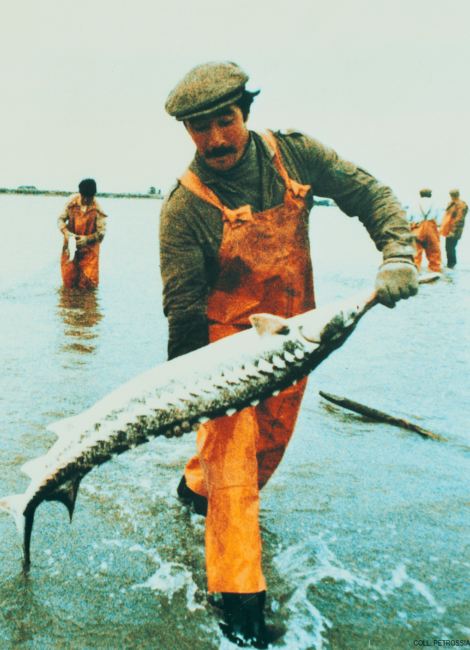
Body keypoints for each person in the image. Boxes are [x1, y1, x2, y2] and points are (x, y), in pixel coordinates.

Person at [160, 61, 418, 648]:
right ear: (187, 133)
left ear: (245, 112)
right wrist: (189, 395)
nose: (217, 139)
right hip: (221, 354)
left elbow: (369, 193)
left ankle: (188, 495)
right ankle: (241, 609)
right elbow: (182, 313)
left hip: (296, 339)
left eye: (224, 120)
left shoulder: (293, 156)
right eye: (200, 128)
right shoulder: (183, 208)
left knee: (264, 456)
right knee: (234, 474)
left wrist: (398, 253)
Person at [58, 178, 107, 289]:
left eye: (89, 199)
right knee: (68, 282)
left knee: (89, 284)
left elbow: (101, 233)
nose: (86, 201)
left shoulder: (98, 209)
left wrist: (86, 239)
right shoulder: (71, 202)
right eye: (84, 198)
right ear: (80, 194)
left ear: (93, 196)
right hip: (70, 248)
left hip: (89, 251)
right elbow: (60, 220)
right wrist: (66, 233)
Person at [407, 188, 442, 272]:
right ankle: (434, 271)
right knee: (434, 252)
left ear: (420, 195)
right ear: (430, 195)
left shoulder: (414, 204)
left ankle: (415, 271)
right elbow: (440, 222)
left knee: (416, 252)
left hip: (417, 230)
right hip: (431, 231)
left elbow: (408, 218)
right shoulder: (435, 205)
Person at [439, 189, 468, 268]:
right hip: (448, 229)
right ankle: (450, 264)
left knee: (450, 247)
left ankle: (451, 264)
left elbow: (459, 219)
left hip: (454, 230)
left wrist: (453, 230)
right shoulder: (452, 204)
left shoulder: (461, 205)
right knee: (448, 247)